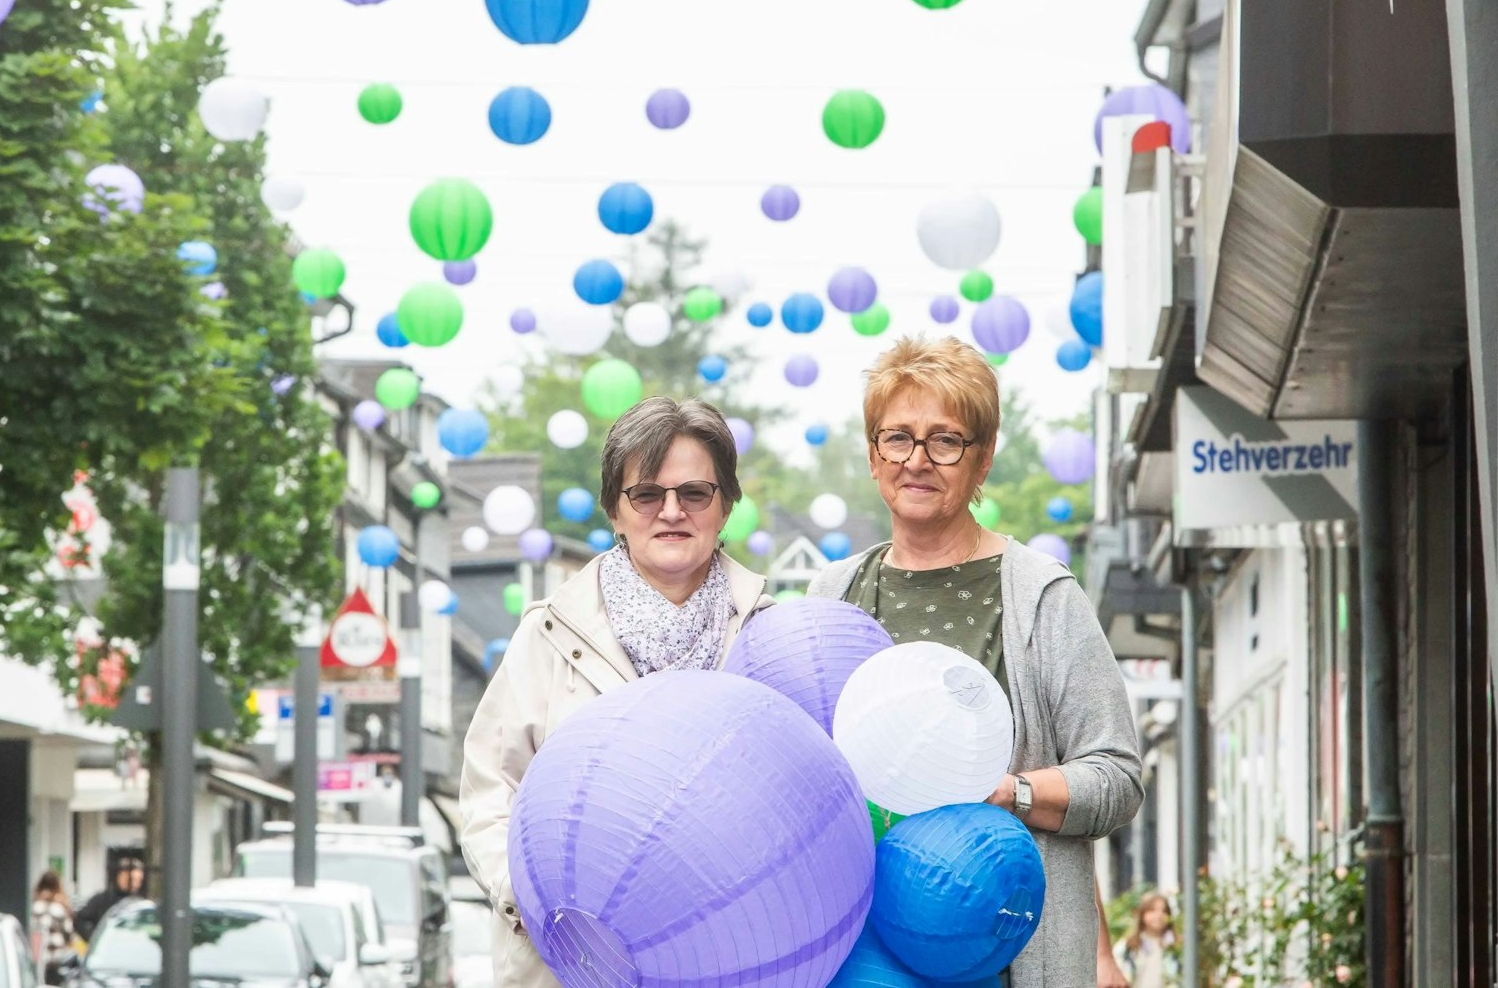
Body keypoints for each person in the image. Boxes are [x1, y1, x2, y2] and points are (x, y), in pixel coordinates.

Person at [810, 335, 1144, 987]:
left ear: (983, 457)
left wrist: (1011, 792)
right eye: (898, 437)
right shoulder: (834, 592)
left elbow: (1117, 775)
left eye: (946, 439)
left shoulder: (1040, 594)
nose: (918, 459)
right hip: (859, 951)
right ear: (873, 455)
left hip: (1000, 954)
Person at [459, 397, 776, 988]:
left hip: (726, 960)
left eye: (695, 493)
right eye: (647, 494)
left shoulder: (771, 637)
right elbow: (488, 793)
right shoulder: (548, 634)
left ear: (726, 505)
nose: (671, 512)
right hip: (569, 962)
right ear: (614, 510)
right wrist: (527, 902)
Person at [1113, 891, 1182, 988]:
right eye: (1152, 910)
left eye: (1164, 911)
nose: (1159, 915)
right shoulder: (1128, 946)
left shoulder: (1175, 945)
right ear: (1142, 914)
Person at [72, 858, 143, 942]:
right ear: (119, 876)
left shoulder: (140, 903)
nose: (133, 884)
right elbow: (80, 920)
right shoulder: (102, 899)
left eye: (137, 880)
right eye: (130, 879)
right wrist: (95, 939)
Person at [29, 870, 76, 984]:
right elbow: (69, 935)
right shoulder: (59, 909)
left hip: (37, 961)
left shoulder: (34, 908)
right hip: (56, 962)